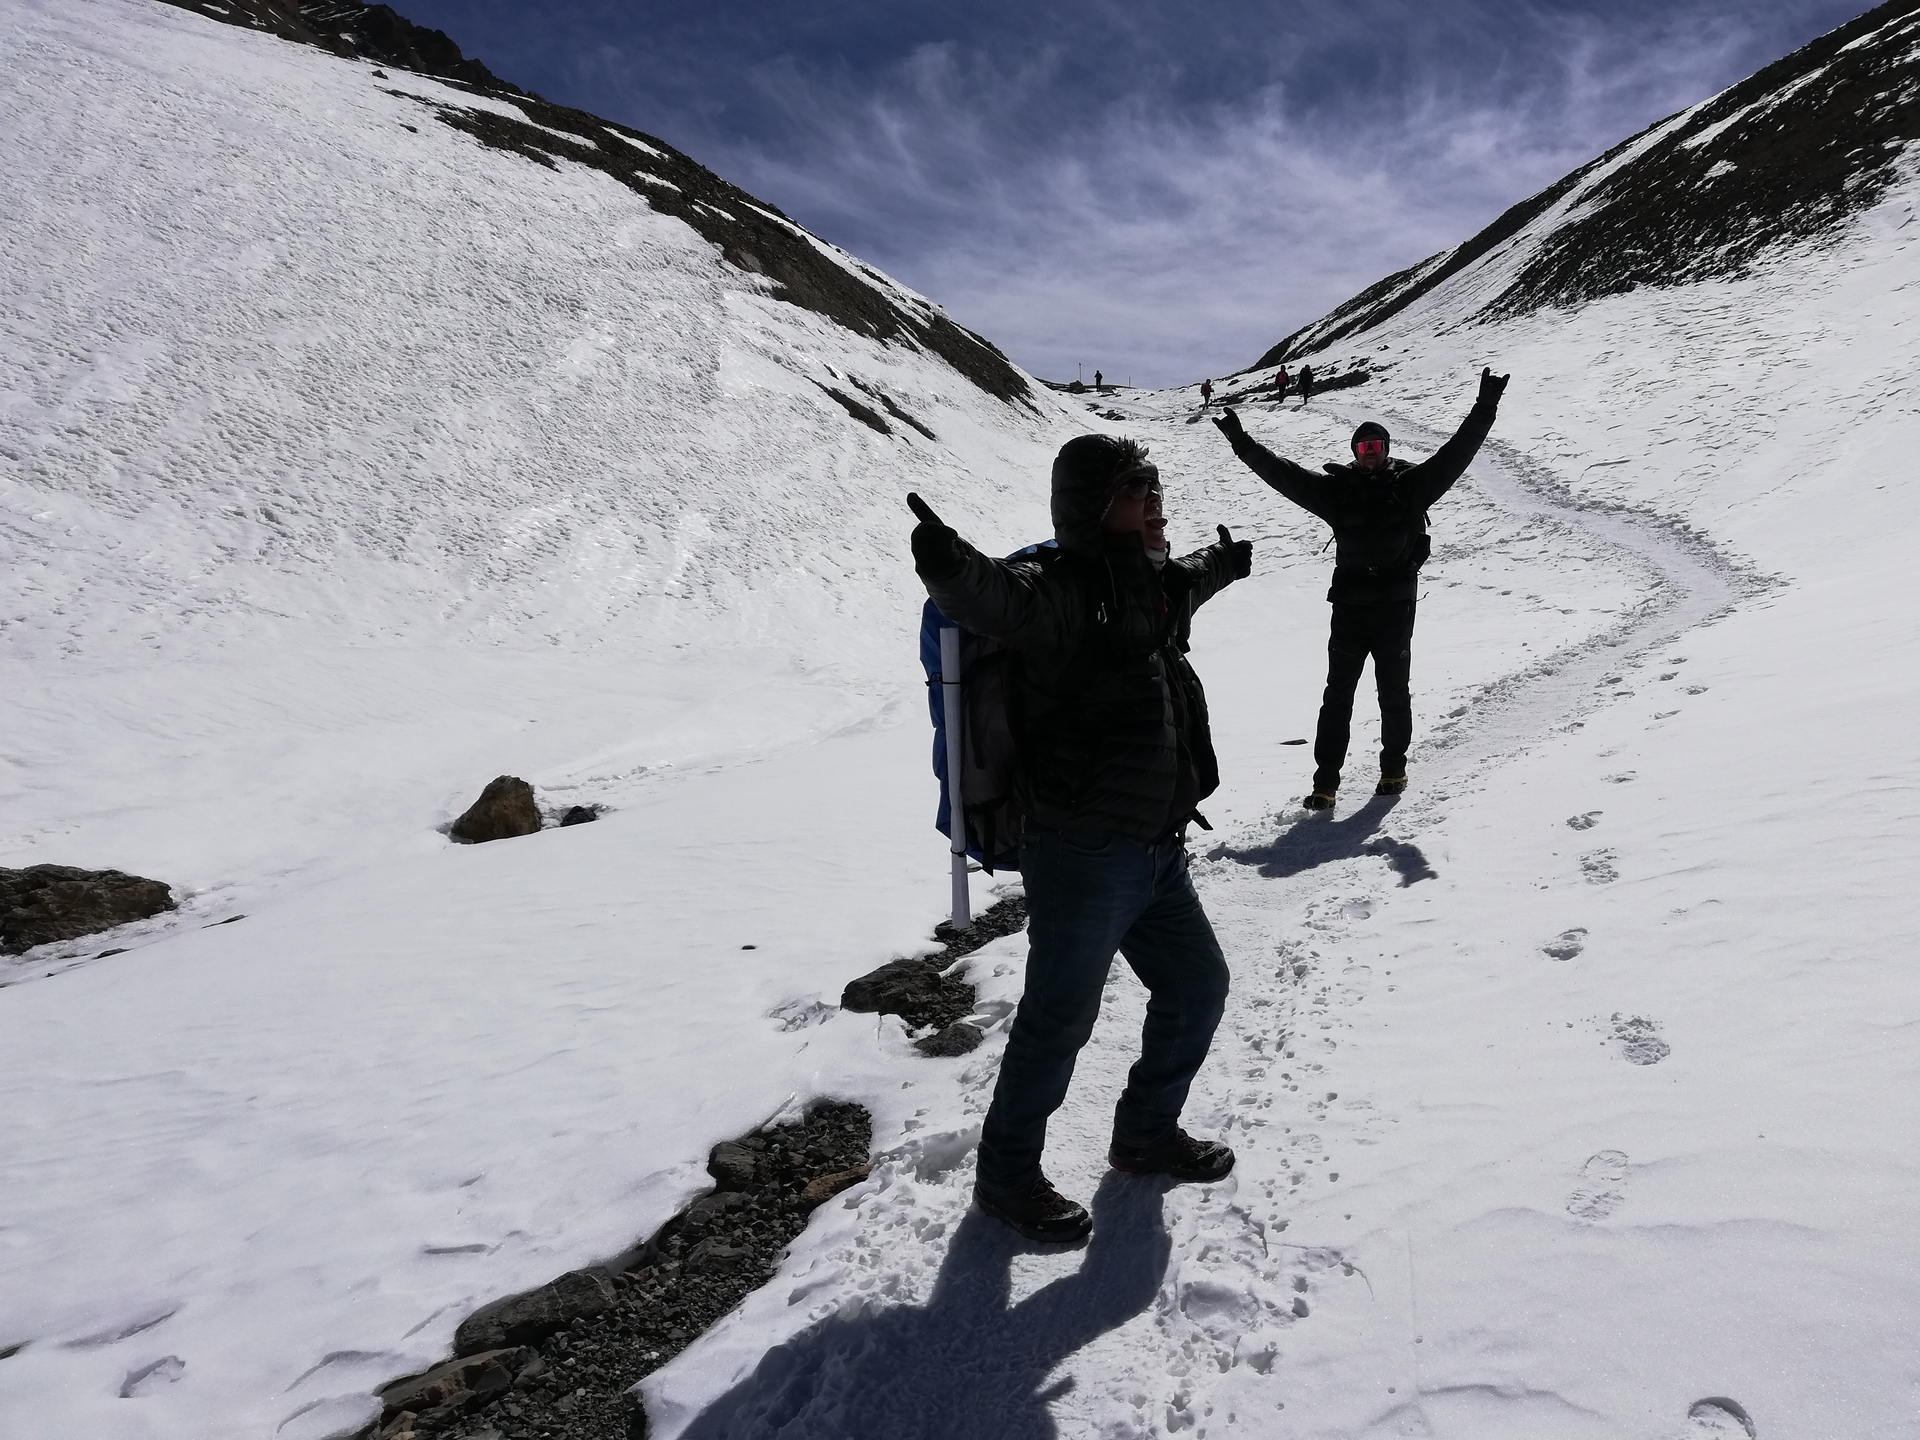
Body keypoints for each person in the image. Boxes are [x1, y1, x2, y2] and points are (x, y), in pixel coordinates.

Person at [910, 435, 1254, 1243]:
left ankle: (1144, 1134)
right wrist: (948, 565)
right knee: (1058, 1020)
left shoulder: (1154, 584)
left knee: (1197, 989)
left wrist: (1227, 562)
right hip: (1083, 855)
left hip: (1158, 852)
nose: (1156, 502)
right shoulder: (1061, 591)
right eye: (1139, 490)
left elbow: (1192, 576)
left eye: (1156, 487)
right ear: (1094, 508)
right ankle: (1005, 1178)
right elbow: (997, 598)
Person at [1212, 367, 1509, 808]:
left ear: (1386, 450)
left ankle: (1393, 769)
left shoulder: (1412, 488)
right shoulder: (1338, 493)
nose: (1370, 453)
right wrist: (1242, 442)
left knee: (1393, 693)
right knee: (1337, 696)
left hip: (1394, 608)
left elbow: (1456, 453)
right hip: (1350, 608)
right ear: (1355, 452)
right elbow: (1283, 475)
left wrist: (1485, 407)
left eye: (1376, 446)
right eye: (1363, 447)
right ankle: (1325, 784)